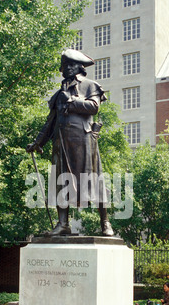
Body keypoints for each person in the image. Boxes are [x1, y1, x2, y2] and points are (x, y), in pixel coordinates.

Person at [26, 49, 114, 237]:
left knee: (93, 181)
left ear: (78, 68)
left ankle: (105, 223)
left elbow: (94, 107)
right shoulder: (59, 94)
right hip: (61, 144)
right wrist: (37, 142)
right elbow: (50, 122)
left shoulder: (90, 86)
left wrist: (73, 100)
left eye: (66, 66)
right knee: (61, 182)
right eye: (63, 66)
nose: (62, 70)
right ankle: (63, 224)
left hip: (83, 142)